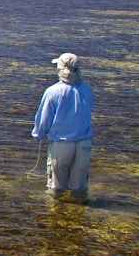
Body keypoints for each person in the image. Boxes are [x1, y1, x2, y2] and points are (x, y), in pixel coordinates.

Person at [31, 53, 94, 202]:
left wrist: (38, 134)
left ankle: (56, 216)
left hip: (61, 144)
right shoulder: (87, 90)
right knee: (79, 187)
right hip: (84, 144)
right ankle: (77, 215)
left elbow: (44, 117)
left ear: (61, 69)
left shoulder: (53, 91)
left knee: (56, 187)